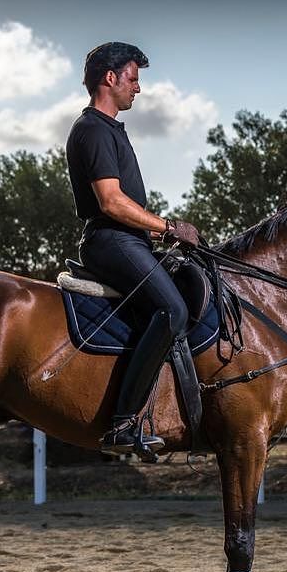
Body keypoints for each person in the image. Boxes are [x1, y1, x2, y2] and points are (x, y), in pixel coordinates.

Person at [66, 42, 200, 452]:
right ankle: (124, 422)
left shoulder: (110, 130)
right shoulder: (92, 129)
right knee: (172, 310)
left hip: (129, 239)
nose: (137, 88)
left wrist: (160, 233)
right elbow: (111, 201)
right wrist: (168, 227)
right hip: (111, 240)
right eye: (133, 79)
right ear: (111, 78)